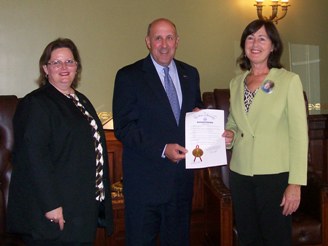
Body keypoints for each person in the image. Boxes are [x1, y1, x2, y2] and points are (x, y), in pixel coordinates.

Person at [7, 38, 113, 246]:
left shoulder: (81, 100)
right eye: (56, 63)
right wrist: (51, 205)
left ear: (77, 67)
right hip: (54, 214)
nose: (64, 68)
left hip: (81, 208)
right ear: (45, 69)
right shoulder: (36, 103)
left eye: (70, 62)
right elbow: (34, 158)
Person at [113, 18, 203, 245]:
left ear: (177, 41)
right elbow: (124, 127)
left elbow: (194, 112)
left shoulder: (190, 74)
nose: (164, 44)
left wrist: (201, 117)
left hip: (181, 184)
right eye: (158, 38)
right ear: (148, 42)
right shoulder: (128, 76)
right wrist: (163, 149)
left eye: (169, 37)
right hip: (145, 185)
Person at [222, 19, 308, 246]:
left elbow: (299, 135)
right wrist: (229, 135)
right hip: (241, 174)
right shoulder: (236, 83)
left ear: (273, 46)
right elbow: (234, 121)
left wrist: (295, 183)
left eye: (262, 38)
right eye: (250, 38)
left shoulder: (288, 81)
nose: (255, 43)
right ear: (244, 45)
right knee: (248, 238)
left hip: (275, 176)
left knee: (276, 238)